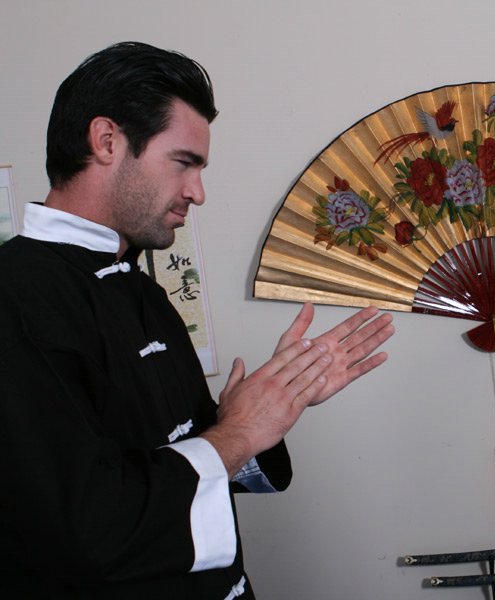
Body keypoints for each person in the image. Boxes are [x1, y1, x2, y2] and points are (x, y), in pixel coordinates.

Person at [0, 42, 395, 599]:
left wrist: (268, 407)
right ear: (107, 141)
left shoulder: (143, 289)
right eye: (184, 162)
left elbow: (197, 457)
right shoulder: (15, 296)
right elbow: (86, 531)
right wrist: (239, 432)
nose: (197, 192)